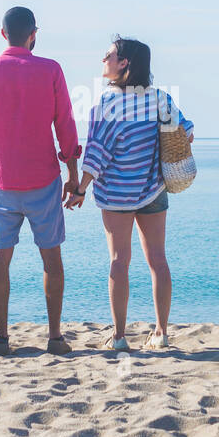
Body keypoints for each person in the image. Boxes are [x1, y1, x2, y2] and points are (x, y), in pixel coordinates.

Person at [0, 7, 82, 355]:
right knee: (52, 259)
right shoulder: (50, 69)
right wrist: (73, 175)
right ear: (35, 33)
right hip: (43, 180)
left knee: (1, 258)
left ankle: (1, 339)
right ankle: (55, 338)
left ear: (3, 34)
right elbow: (66, 124)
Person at [66, 36, 193, 351]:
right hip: (153, 191)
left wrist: (81, 188)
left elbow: (97, 154)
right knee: (158, 260)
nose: (103, 60)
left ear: (124, 63)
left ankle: (120, 337)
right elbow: (187, 131)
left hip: (117, 195)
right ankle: (161, 333)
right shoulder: (160, 99)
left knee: (119, 260)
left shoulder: (107, 105)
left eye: (108, 55)